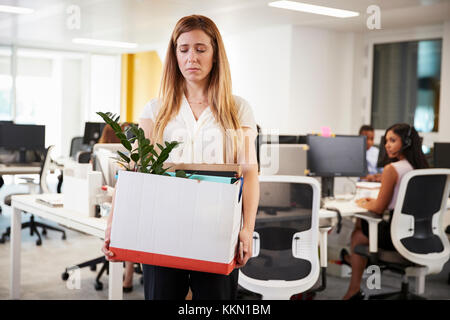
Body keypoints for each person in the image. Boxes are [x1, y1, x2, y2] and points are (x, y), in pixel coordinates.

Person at [102, 14, 259, 300]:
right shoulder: (156, 110)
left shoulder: (238, 108)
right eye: (183, 49)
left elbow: (249, 173)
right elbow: (135, 172)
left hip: (218, 227)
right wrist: (115, 224)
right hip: (161, 226)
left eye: (201, 49)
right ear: (174, 55)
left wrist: (247, 229)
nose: (191, 58)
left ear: (215, 55)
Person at [342, 123, 429, 300]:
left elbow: (379, 208)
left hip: (396, 236)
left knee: (358, 233)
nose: (387, 145)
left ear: (406, 142)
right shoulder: (421, 168)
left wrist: (363, 202)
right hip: (420, 235)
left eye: (393, 140)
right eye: (386, 140)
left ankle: (353, 288)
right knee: (365, 226)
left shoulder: (392, 169)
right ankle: (355, 262)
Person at [98, 122, 136, 293]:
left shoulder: (110, 155)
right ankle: (128, 278)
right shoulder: (110, 156)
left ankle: (128, 278)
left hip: (119, 199)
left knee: (129, 229)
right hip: (117, 198)